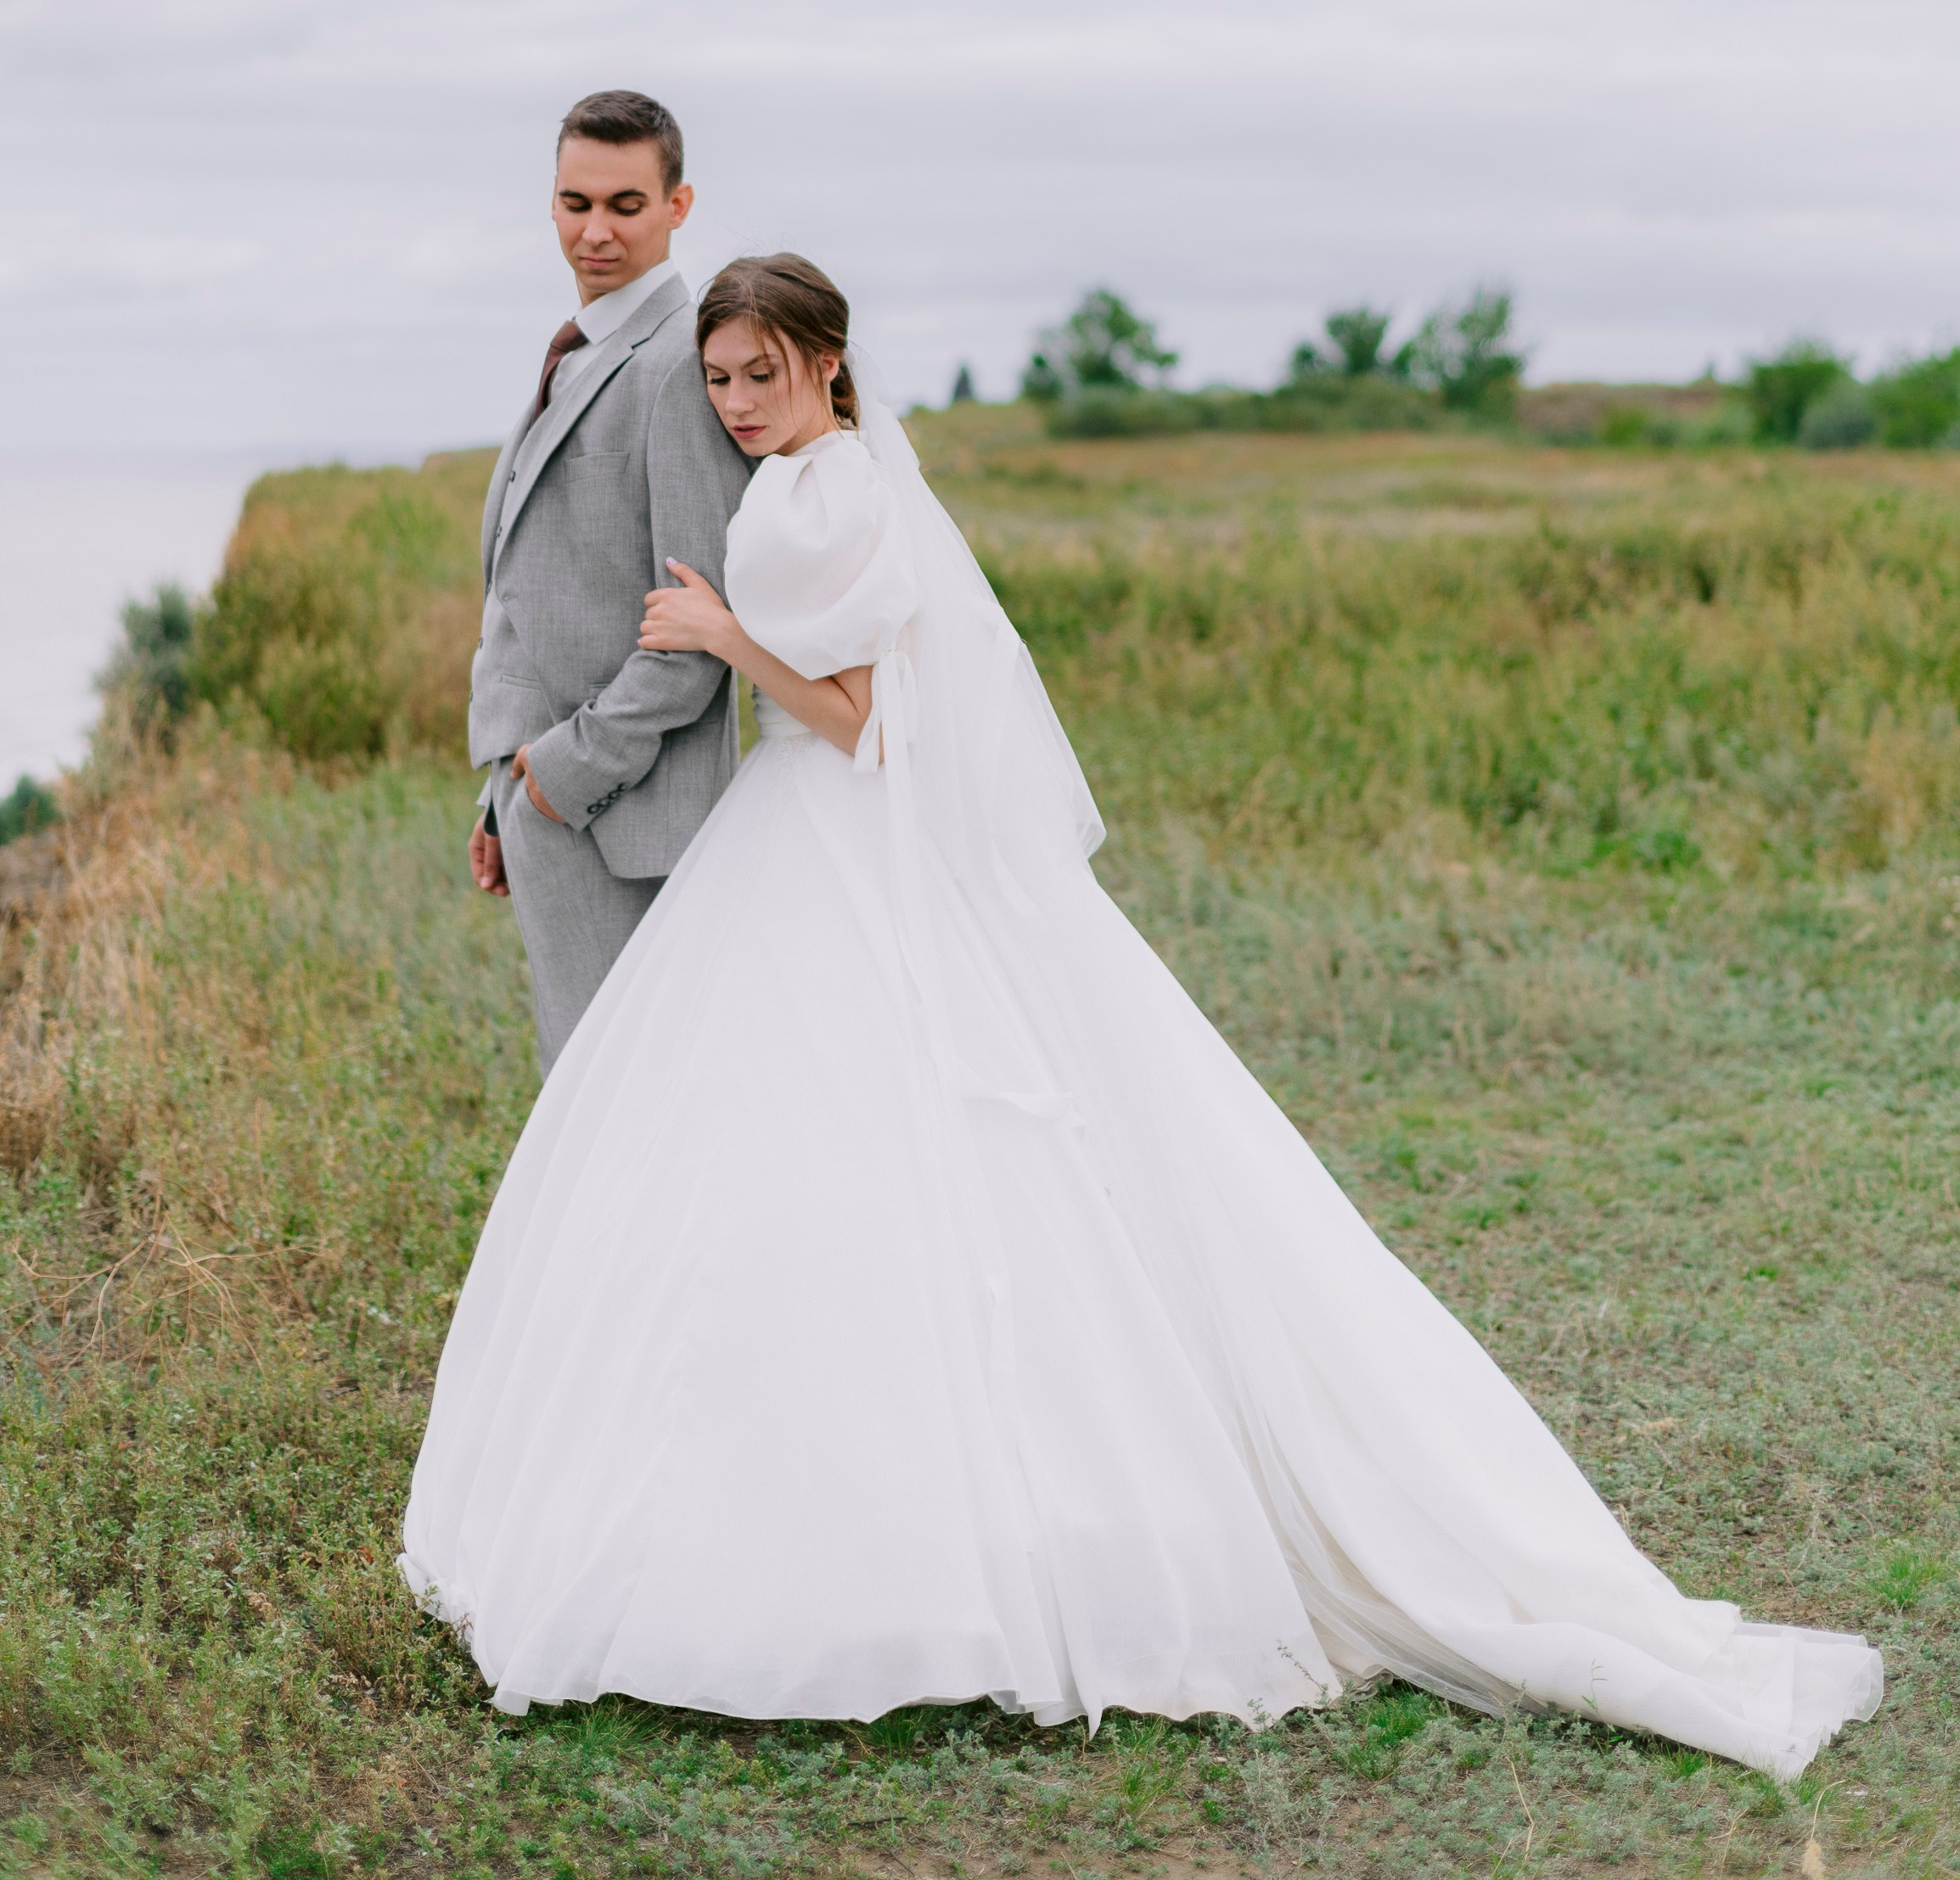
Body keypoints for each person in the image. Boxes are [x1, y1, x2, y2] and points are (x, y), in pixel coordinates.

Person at [405, 254, 1882, 1779]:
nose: (735, 402)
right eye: (719, 379)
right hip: (785, 844)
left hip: (834, 818)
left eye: (760, 376)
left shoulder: (843, 492)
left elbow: (863, 725)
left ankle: (956, 1562)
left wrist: (729, 646)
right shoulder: (789, 483)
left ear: (831, 367)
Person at [465, 90, 750, 1075]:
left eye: (626, 205)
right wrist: (504, 794)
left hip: (625, 812)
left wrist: (557, 778)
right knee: (586, 1093)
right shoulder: (582, 350)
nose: (596, 231)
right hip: (548, 804)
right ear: (549, 203)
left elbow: (698, 637)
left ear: (679, 206)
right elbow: (531, 596)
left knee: (621, 1102)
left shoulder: (680, 366)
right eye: (574, 202)